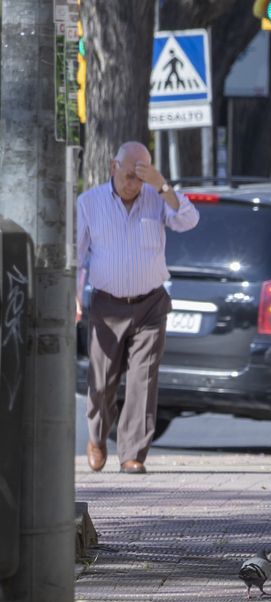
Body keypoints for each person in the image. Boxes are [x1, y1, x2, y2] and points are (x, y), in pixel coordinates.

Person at [77, 142, 199, 474]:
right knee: (102, 380)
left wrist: (162, 186)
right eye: (128, 175)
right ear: (112, 168)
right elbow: (78, 256)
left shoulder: (156, 199)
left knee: (143, 380)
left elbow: (188, 220)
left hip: (150, 303)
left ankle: (133, 452)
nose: (133, 183)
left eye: (140, 176)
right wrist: (74, 296)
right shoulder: (89, 202)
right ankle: (98, 438)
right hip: (106, 303)